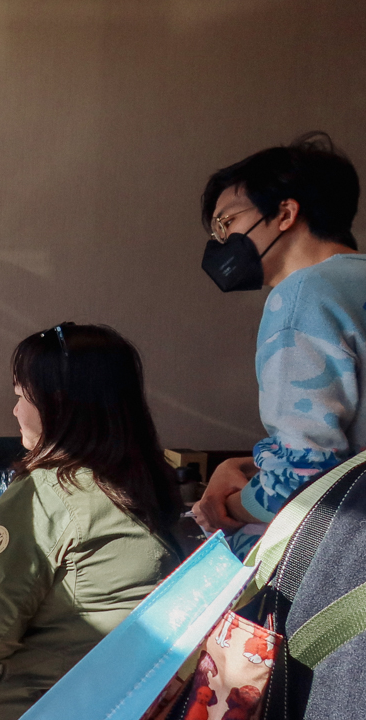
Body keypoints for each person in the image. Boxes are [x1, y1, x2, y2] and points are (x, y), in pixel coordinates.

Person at [0, 323, 182, 720]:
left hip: (42, 703)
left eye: (21, 396)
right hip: (123, 699)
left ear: (57, 403)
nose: (15, 410)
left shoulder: (43, 494)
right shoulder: (150, 480)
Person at [192, 132, 366, 558]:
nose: (220, 242)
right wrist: (249, 468)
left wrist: (222, 508)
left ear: (285, 213)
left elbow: (305, 476)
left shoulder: (303, 296)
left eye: (225, 223)